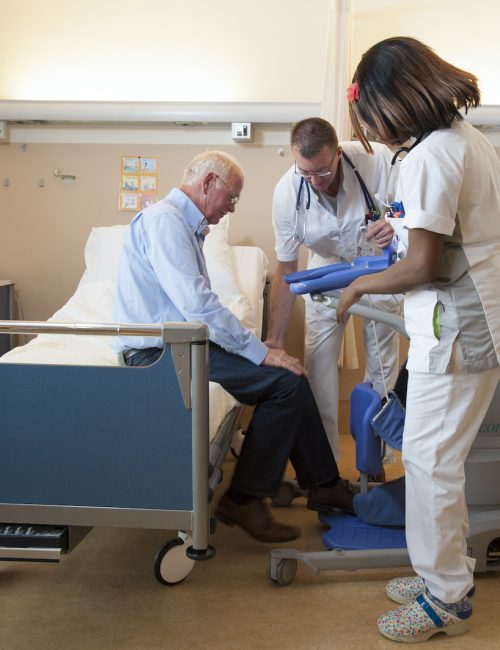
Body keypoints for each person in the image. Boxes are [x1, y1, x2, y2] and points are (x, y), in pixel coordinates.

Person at [336, 37, 500, 643]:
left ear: (395, 99)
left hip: (458, 331)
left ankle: (447, 602)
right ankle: (447, 576)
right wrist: (396, 231)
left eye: (371, 114)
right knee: (441, 464)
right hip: (461, 324)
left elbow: (424, 265)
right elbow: (430, 235)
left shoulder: (433, 154)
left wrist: (359, 285)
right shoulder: (460, 139)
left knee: (430, 465)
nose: (373, 130)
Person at [112, 150, 355, 545]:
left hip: (182, 347)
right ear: (208, 182)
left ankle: (322, 484)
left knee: (290, 374)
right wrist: (259, 350)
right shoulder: (165, 223)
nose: (233, 207)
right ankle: (245, 498)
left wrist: (259, 351)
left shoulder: (183, 226)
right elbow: (199, 306)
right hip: (157, 357)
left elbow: (198, 308)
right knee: (285, 382)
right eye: (232, 196)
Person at [267, 117, 402, 459]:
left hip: (377, 262)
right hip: (326, 267)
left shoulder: (377, 160)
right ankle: (326, 471)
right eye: (305, 172)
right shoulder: (287, 192)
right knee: (320, 367)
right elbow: (286, 266)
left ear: (338, 154)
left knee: (383, 365)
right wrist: (275, 342)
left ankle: (376, 461)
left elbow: (411, 212)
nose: (314, 181)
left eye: (322, 171)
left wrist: (395, 226)